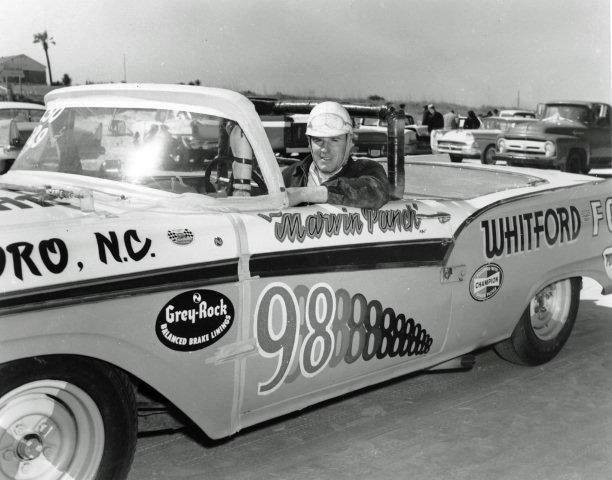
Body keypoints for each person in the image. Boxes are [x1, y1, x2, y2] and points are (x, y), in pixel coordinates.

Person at [283, 101, 390, 209]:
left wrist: (302, 194)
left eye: (334, 140)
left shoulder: (367, 170)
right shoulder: (291, 175)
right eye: (318, 140)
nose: (325, 149)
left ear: (349, 141)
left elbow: (376, 191)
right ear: (309, 143)